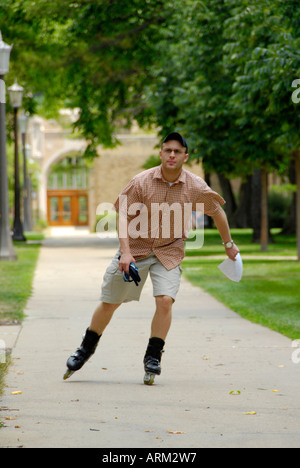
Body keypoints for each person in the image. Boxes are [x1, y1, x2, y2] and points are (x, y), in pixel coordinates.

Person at [64, 132, 240, 384]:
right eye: (168, 150)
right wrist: (125, 252)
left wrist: (229, 244)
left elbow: (218, 213)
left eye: (177, 152)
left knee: (165, 301)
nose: (172, 155)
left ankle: (153, 356)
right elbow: (123, 215)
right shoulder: (141, 182)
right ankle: (85, 348)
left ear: (185, 157)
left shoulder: (195, 186)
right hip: (134, 251)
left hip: (169, 251)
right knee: (110, 302)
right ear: (160, 153)